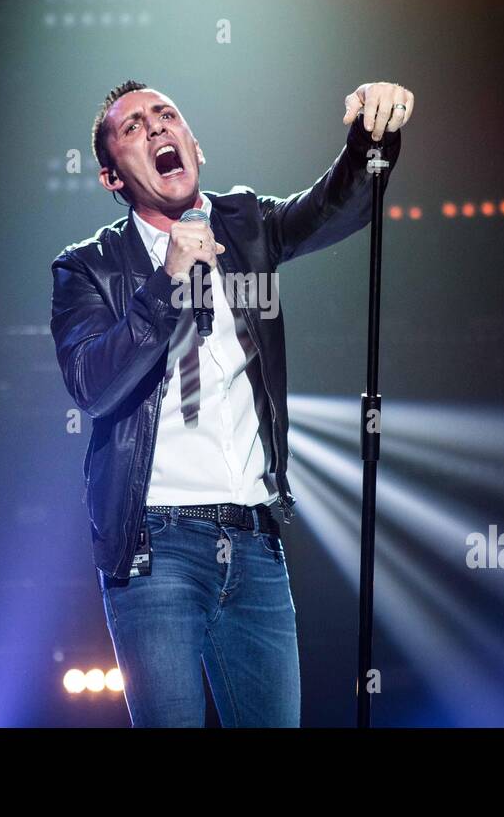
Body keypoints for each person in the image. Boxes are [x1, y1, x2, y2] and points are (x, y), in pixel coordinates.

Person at [50, 79, 412, 726]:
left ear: (195, 145)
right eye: (133, 127)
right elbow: (92, 384)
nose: (157, 128)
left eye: (167, 116)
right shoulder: (87, 268)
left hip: (255, 539)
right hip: (154, 547)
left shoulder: (245, 224)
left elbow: (335, 208)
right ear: (111, 177)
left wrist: (368, 144)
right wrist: (165, 284)